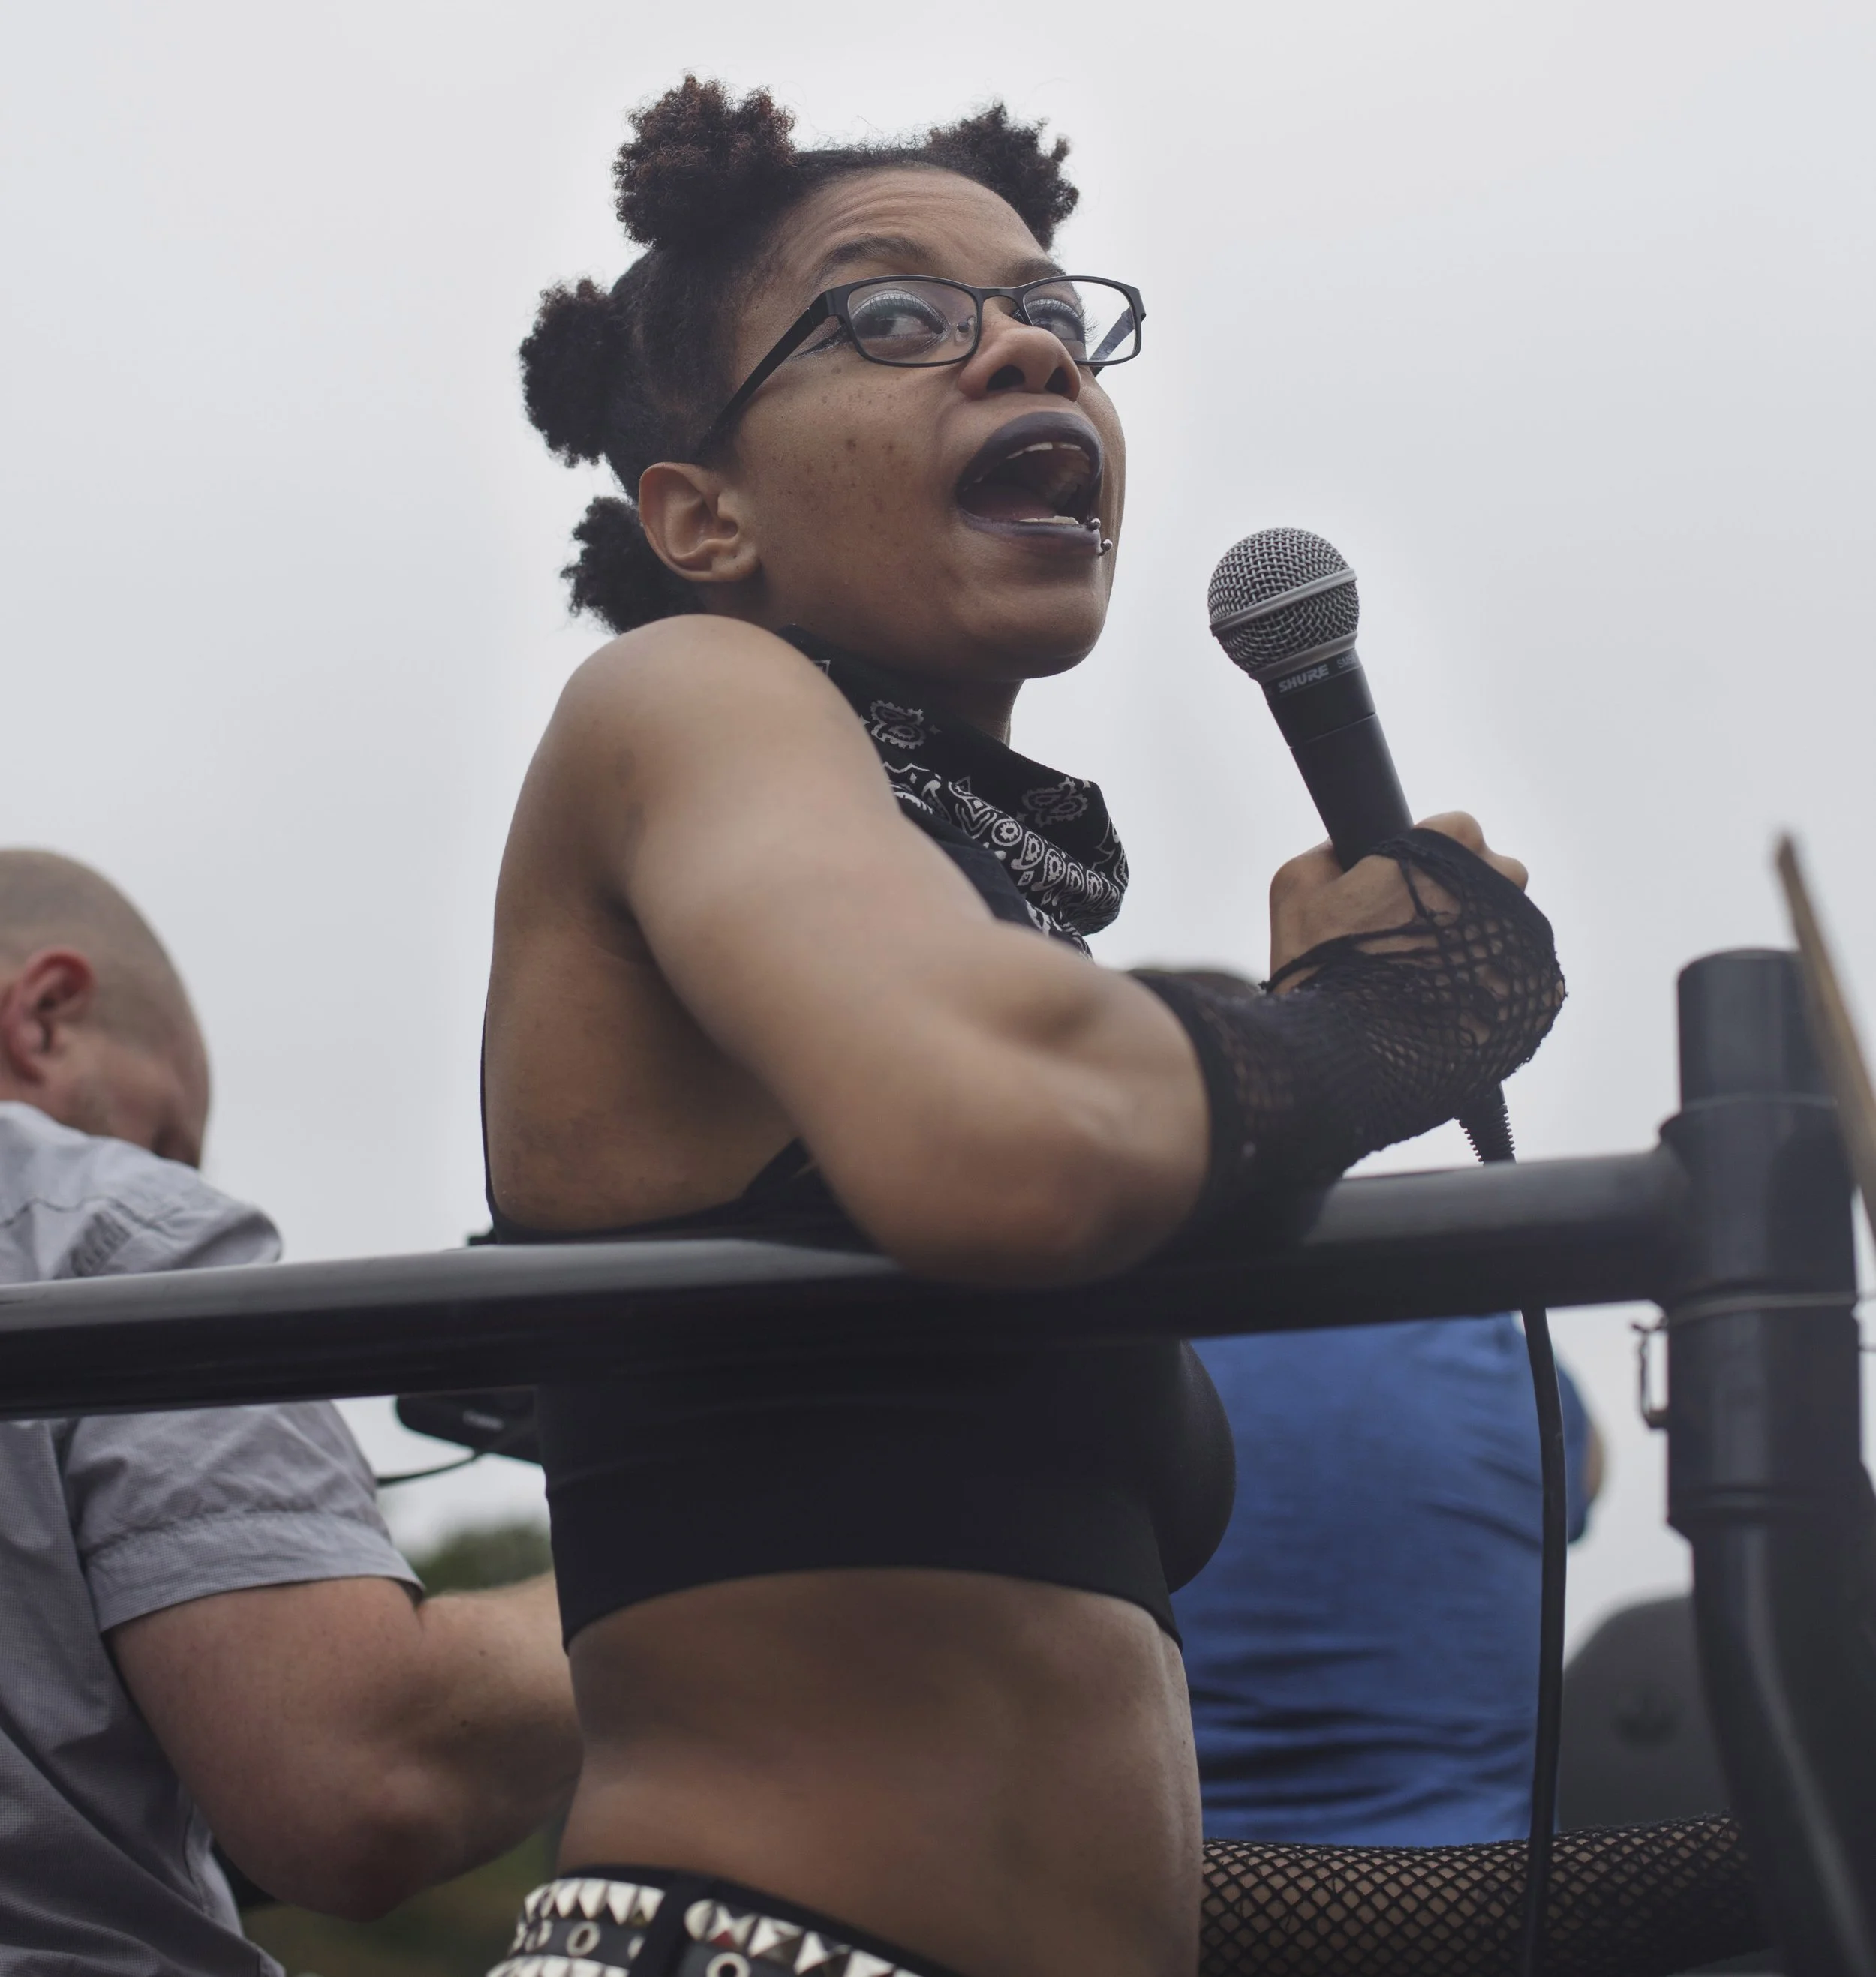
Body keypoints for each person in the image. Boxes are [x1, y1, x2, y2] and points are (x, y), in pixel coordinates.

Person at [482, 77, 1754, 1977]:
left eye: (1055, 314)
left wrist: (1730, 1864)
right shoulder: (685, 695)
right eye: (893, 314)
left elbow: (1090, 1851)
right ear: (702, 512)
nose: (1019, 345)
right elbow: (1008, 1132)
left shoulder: (957, 937)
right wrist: (1371, 1022)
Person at [0, 849, 580, 1976]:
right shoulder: (100, 1229)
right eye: (169, 1137)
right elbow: (363, 1778)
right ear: (47, 1015)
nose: (170, 1170)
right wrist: (707, 1552)